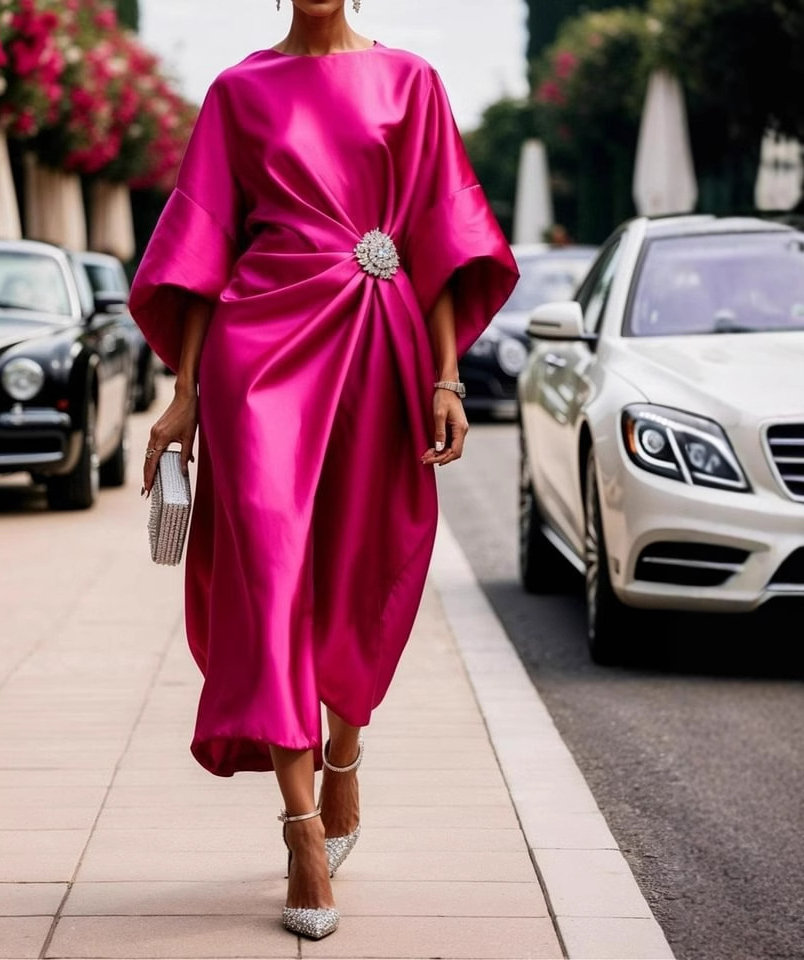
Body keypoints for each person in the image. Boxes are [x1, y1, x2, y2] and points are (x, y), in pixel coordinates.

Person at [129, 0, 517, 941]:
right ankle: (301, 832)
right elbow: (199, 251)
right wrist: (183, 395)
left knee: (360, 566)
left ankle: (345, 755)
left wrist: (445, 378)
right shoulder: (236, 91)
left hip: (379, 351)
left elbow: (438, 234)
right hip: (255, 358)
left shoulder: (411, 82)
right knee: (266, 578)